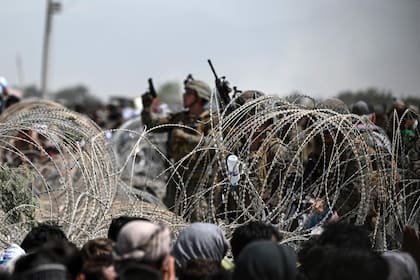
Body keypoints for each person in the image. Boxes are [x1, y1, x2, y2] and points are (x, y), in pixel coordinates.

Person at [141, 77, 213, 216]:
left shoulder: (210, 120)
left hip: (197, 177)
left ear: (200, 97)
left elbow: (211, 144)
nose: (184, 96)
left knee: (194, 215)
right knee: (172, 214)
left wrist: (184, 136)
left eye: (189, 93)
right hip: (176, 173)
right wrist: (146, 108)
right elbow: (151, 127)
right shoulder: (178, 118)